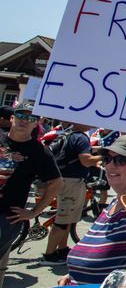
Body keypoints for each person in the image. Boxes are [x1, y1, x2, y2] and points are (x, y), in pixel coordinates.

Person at [58, 119, 126, 286]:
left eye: (121, 160)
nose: (110, 165)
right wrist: (75, 275)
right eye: (107, 158)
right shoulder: (113, 204)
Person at [0, 101, 63, 286]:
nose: (24, 120)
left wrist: (34, 212)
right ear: (12, 118)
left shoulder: (39, 152)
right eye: (21, 116)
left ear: (36, 123)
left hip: (7, 216)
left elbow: (57, 183)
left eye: (30, 118)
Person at [41, 121, 103, 265]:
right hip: (72, 181)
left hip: (63, 178)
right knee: (62, 220)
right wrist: (104, 157)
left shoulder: (68, 134)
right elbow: (85, 160)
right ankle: (49, 255)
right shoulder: (81, 137)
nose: (91, 123)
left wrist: (100, 150)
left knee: (67, 219)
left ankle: (62, 249)